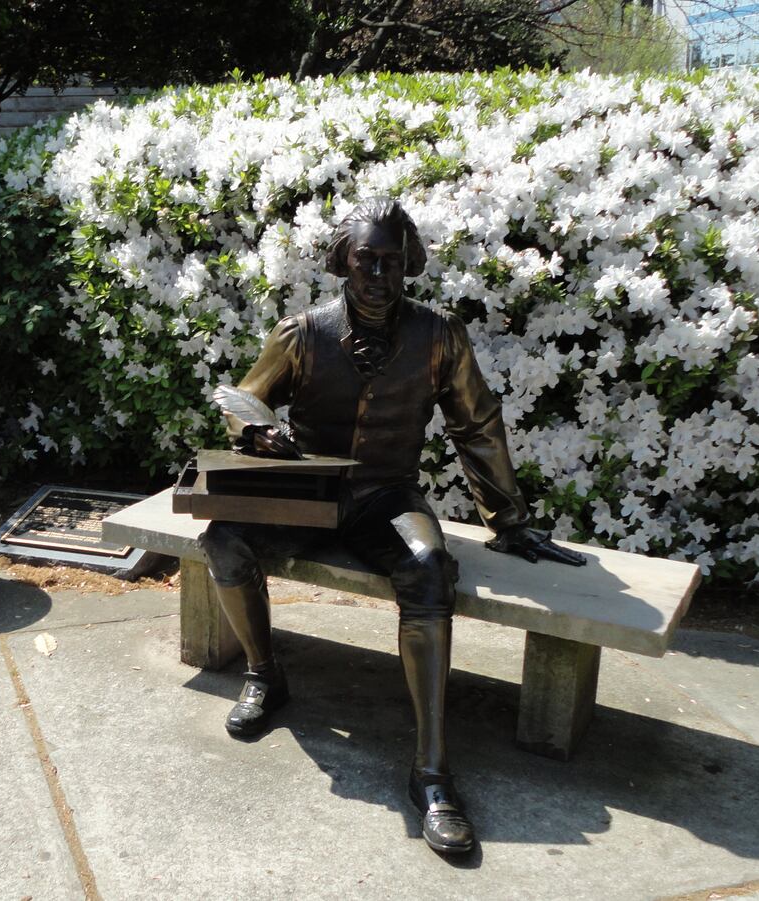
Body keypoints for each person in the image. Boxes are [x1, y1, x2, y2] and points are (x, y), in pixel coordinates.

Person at [198, 198, 584, 855]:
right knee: (222, 539)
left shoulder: (440, 336)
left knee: (429, 567)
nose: (379, 273)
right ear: (342, 263)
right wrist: (258, 429)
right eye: (366, 259)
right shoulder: (301, 332)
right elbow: (243, 396)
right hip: (310, 494)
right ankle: (265, 673)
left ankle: (432, 772)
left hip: (387, 498)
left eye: (392, 262)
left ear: (410, 265)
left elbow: (477, 424)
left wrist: (509, 518)